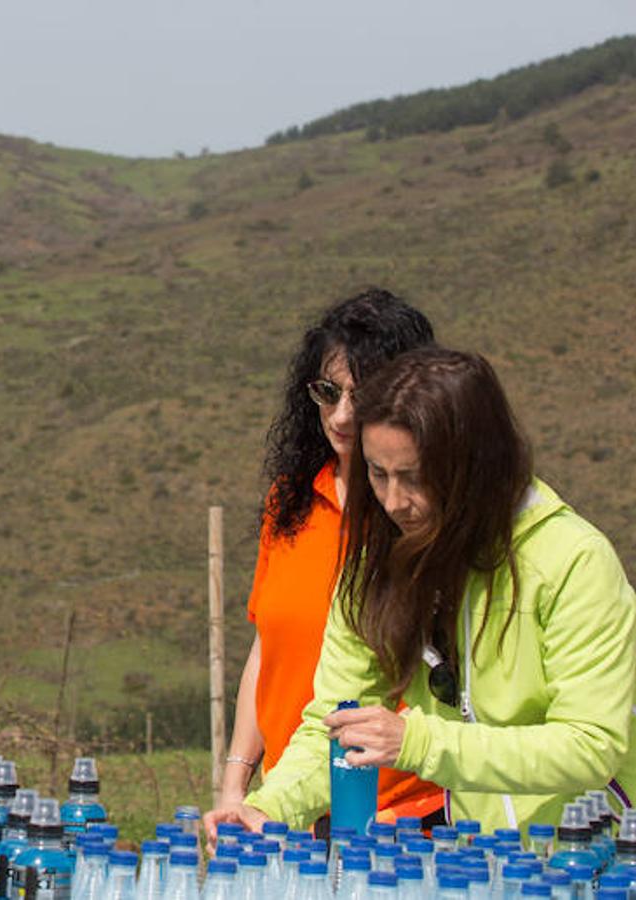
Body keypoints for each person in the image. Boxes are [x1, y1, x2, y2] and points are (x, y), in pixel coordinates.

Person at [226, 348, 636, 832]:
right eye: (378, 473)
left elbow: (591, 746)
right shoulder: (373, 567)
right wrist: (269, 807)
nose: (392, 501)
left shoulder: (573, 560)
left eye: (413, 478)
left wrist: (418, 743)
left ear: (476, 466)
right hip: (499, 861)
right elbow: (335, 722)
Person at [203, 290, 443, 841]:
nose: (341, 415)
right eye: (327, 392)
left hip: (397, 819)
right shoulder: (291, 502)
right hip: (288, 806)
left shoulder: (420, 517)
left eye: (364, 396)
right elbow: (268, 647)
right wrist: (237, 782)